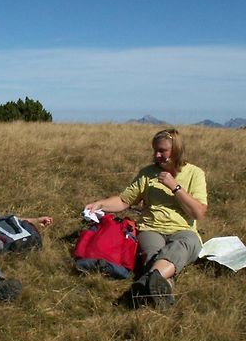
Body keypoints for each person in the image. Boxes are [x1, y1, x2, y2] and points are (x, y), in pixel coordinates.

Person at [85, 129, 207, 307]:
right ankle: (161, 285)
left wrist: (175, 187)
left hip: (183, 230)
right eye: (155, 150)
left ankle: (144, 284)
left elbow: (198, 212)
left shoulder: (195, 173)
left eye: (162, 151)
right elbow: (124, 200)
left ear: (177, 150)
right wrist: (101, 204)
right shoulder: (147, 173)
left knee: (184, 245)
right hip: (151, 228)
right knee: (152, 255)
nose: (157, 155)